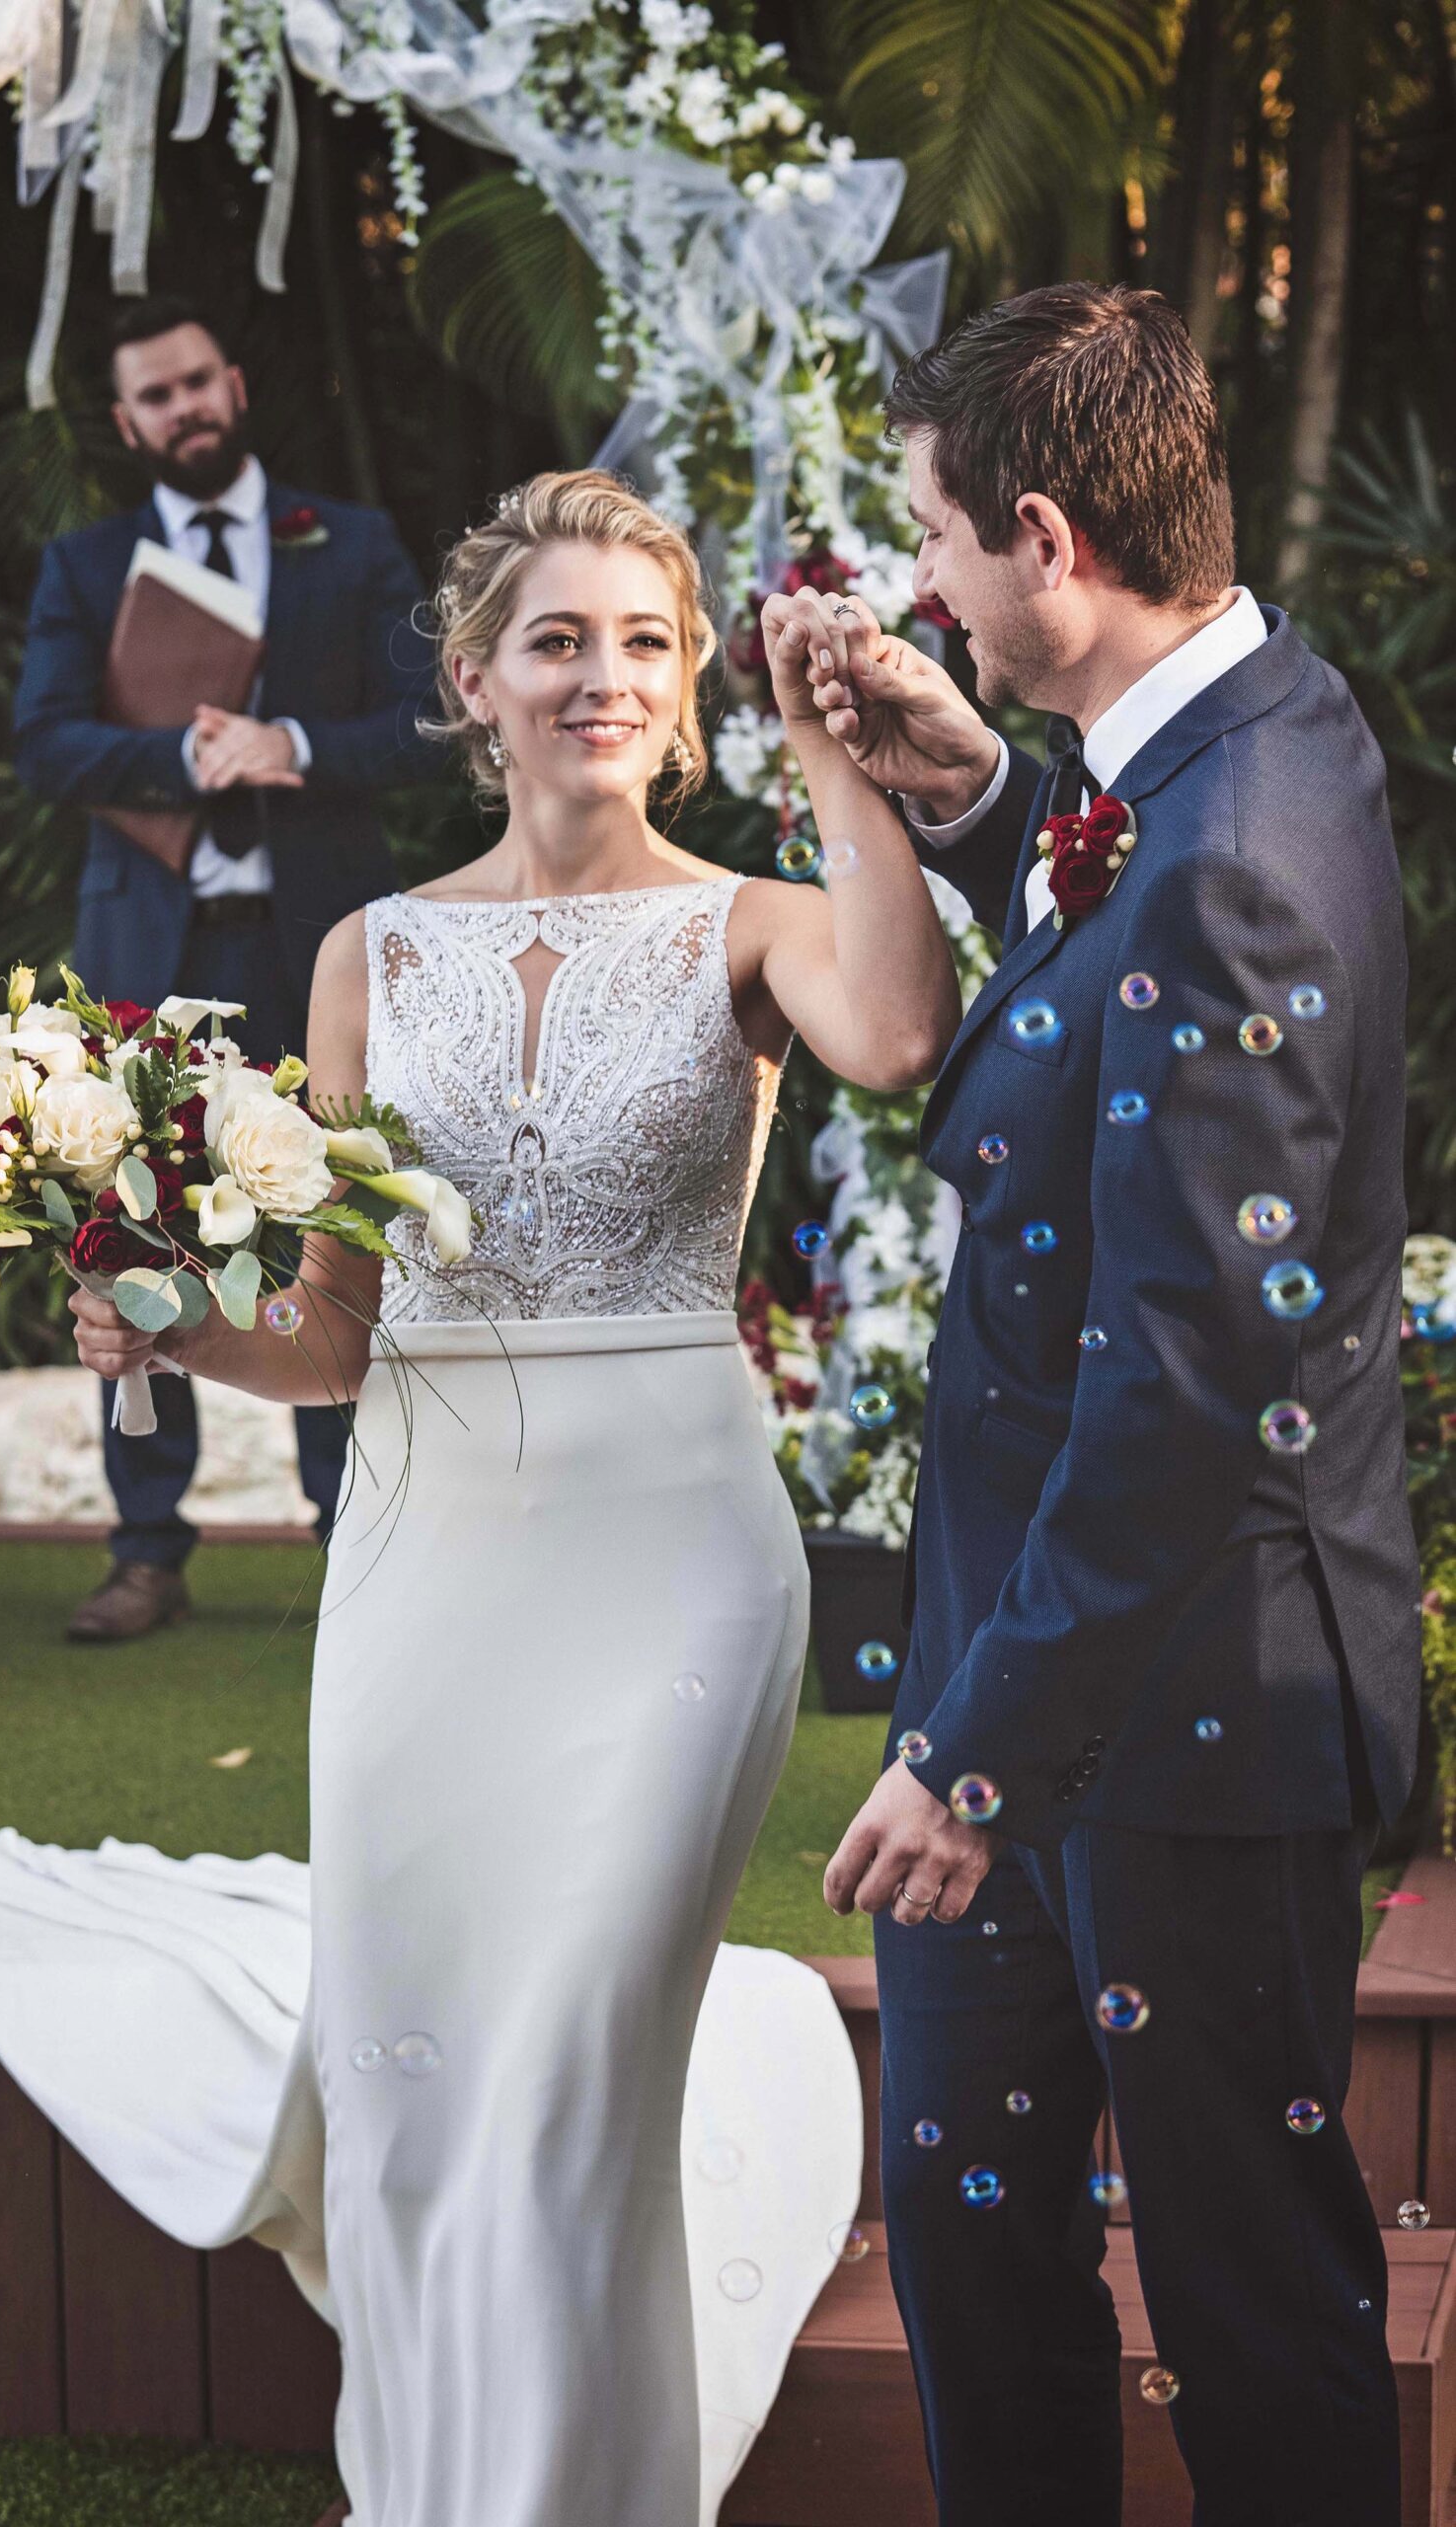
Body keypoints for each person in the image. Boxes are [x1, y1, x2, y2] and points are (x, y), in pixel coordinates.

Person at [70, 470, 959, 2525]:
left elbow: (905, 1031)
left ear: (688, 687)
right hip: (423, 1567)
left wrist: (831, 750)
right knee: (409, 2085)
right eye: (557, 639)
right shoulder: (365, 956)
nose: (601, 677)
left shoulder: (756, 923)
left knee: (569, 2081)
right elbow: (332, 1328)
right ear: (473, 680)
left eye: (644, 643)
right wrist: (164, 1321)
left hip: (674, 1570)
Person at [791, 284, 1418, 2525]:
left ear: (1043, 537)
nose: (923, 579)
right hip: (1042, 1651)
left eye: (935, 535)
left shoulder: (1239, 841)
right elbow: (1104, 978)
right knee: (972, 2250)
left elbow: (1181, 1379)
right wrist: (967, 786)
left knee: (1249, 2305)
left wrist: (974, 1749)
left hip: (1190, 1705)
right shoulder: (1219, 739)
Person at [15, 295, 435, 1644]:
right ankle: (146, 1545)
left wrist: (291, 746)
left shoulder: (351, 542)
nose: (184, 406)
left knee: (326, 1222)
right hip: (152, 951)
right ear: (127, 419)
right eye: (157, 394)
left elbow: (428, 719)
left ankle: (346, 1531)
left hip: (317, 947)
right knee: (127, 1227)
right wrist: (182, 758)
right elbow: (44, 743)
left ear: (235, 386)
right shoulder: (88, 564)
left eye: (198, 381)